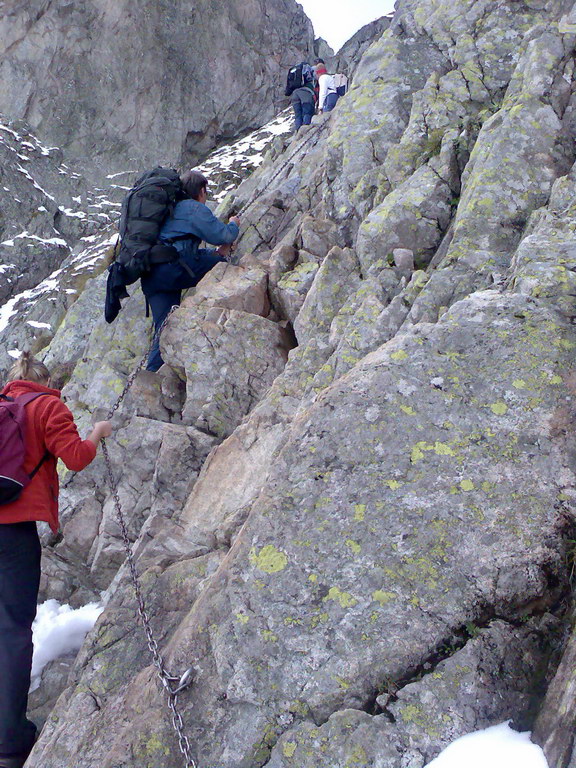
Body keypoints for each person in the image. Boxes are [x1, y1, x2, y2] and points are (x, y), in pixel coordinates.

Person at [0, 353, 112, 768]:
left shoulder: (1, 405)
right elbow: (77, 457)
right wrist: (98, 432)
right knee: (12, 632)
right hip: (13, 533)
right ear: (43, 378)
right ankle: (10, 745)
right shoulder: (48, 405)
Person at [141, 170, 240, 372]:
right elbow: (223, 235)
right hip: (173, 269)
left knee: (163, 327)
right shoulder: (193, 208)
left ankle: (152, 373)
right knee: (217, 260)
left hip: (151, 275)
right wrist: (234, 225)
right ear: (201, 191)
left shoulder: (169, 209)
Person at [285, 62, 316, 132]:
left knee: (298, 114)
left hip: (295, 93)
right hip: (305, 92)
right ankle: (305, 130)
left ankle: (298, 131)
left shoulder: (295, 71)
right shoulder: (310, 69)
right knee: (307, 111)